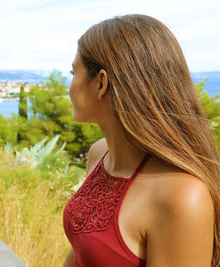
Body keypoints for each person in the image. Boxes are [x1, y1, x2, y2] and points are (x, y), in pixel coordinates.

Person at [63, 14, 220, 267]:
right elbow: (80, 251)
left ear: (101, 82)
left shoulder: (182, 196)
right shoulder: (99, 154)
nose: (69, 86)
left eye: (73, 72)